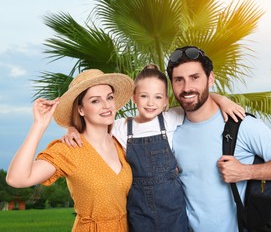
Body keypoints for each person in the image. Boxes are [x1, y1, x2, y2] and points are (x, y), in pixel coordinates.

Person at [62, 64, 245, 231]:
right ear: (134, 97)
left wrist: (223, 100)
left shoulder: (171, 118)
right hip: (139, 211)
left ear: (166, 101)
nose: (151, 103)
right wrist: (72, 128)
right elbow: (92, 126)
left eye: (158, 97)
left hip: (173, 210)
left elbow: (198, 100)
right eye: (144, 96)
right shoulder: (121, 127)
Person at [166, 46, 271, 232]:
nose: (186, 88)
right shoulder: (170, 128)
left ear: (211, 79)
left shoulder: (241, 125)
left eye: (195, 78)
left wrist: (245, 172)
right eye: (179, 80)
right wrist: (220, 98)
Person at [6, 69, 135, 231]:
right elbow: (16, 179)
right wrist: (39, 126)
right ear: (81, 109)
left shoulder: (121, 140)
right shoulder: (69, 149)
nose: (106, 105)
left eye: (109, 97)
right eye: (95, 101)